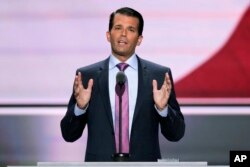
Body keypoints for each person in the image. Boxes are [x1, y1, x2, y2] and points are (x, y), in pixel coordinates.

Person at [60, 7, 185, 162]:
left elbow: (176, 134)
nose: (123, 34)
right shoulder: (87, 76)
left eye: (131, 29)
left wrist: (163, 109)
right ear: (108, 35)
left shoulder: (159, 76)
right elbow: (68, 135)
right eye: (118, 28)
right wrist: (80, 108)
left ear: (139, 39)